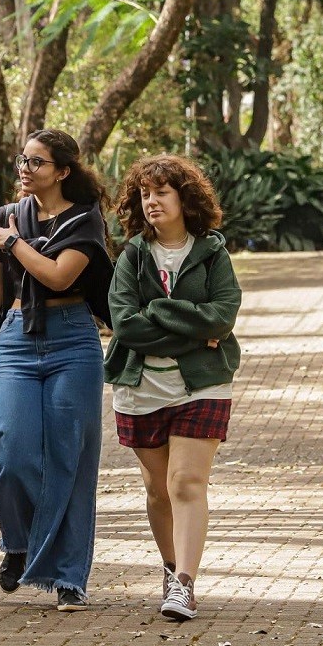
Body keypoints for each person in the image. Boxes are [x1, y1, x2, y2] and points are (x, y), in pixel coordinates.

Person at [0, 129, 113, 612]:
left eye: (37, 163)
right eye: (22, 160)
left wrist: (15, 245)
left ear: (63, 171)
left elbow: (57, 276)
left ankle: (70, 577)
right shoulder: (7, 217)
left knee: (72, 456)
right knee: (13, 448)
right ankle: (19, 542)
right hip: (16, 336)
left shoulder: (85, 221)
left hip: (73, 337)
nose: (25, 170)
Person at [106, 154, 242, 621]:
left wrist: (159, 311)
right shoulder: (131, 256)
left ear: (184, 198)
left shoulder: (212, 252)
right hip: (139, 387)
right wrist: (186, 322)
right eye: (145, 193)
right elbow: (125, 324)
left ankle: (184, 583)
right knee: (158, 490)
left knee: (186, 482)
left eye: (162, 192)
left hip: (203, 383)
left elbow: (223, 316)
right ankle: (169, 567)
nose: (152, 201)